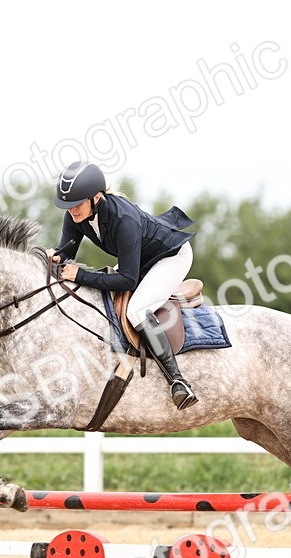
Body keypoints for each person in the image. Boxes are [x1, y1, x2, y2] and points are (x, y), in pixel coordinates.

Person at [49, 161, 198, 410]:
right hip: (141, 260)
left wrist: (80, 275)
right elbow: (66, 251)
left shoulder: (123, 219)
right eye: (67, 205)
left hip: (171, 257)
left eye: (76, 204)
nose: (71, 210)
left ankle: (178, 381)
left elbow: (127, 280)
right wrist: (52, 256)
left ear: (96, 198)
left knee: (136, 310)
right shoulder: (76, 215)